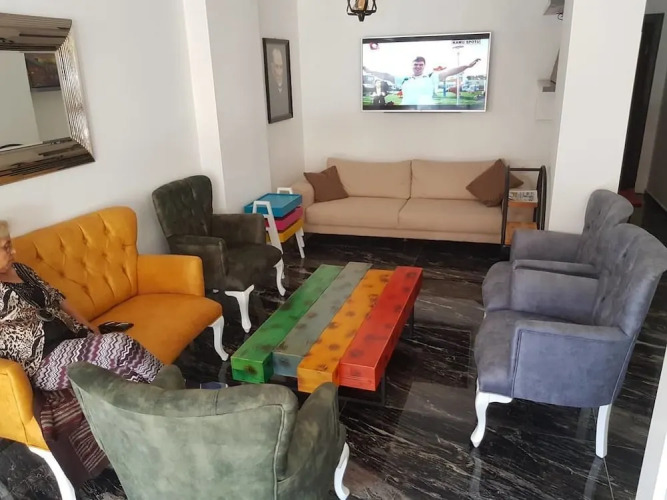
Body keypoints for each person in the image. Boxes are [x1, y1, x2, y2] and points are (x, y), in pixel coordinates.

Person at [0, 220, 162, 391]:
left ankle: (167, 399)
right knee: (120, 345)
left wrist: (88, 325)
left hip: (70, 335)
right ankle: (173, 391)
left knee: (124, 373)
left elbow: (57, 297)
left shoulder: (20, 269)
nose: (14, 251)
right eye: (6, 247)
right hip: (41, 361)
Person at [364, 56, 481, 106]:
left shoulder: (431, 77)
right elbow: (386, 76)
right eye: (416, 64)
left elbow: (450, 72)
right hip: (404, 113)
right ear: (412, 65)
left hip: (428, 113)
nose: (418, 67)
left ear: (424, 66)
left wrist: (467, 66)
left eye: (421, 65)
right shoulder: (404, 79)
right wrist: (369, 71)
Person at [267, 46, 291, 119]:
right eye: (276, 67)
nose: (279, 73)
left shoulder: (287, 88)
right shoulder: (270, 88)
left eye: (281, 67)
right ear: (271, 66)